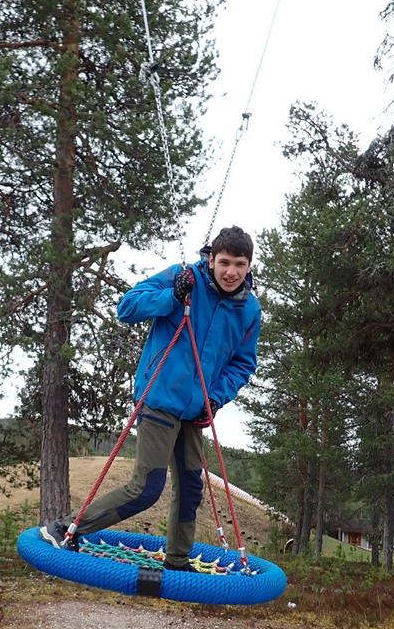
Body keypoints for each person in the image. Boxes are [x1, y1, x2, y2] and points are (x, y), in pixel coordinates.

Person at [41, 225, 261, 570]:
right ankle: (65, 529)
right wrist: (172, 295)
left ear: (248, 266)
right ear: (212, 260)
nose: (231, 272)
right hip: (160, 396)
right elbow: (127, 307)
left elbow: (243, 364)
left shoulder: (249, 309)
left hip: (196, 410)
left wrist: (216, 399)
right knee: (146, 488)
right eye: (224, 262)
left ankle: (177, 562)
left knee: (191, 489)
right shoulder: (184, 278)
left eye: (239, 264)